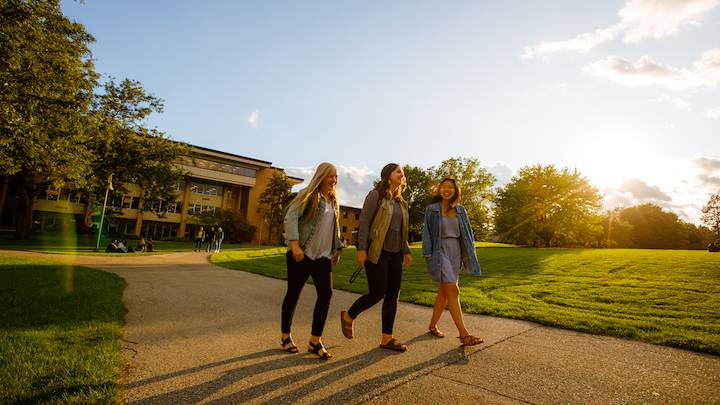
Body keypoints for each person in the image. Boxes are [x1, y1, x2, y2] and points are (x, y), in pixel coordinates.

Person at [340, 163, 412, 352]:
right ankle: (349, 315)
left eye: (402, 173)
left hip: (395, 253)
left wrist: (406, 250)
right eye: (398, 171)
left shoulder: (402, 202)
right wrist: (361, 249)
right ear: (388, 175)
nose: (402, 175)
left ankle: (387, 338)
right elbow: (363, 223)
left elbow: (402, 230)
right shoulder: (376, 195)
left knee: (393, 294)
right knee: (377, 292)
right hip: (377, 251)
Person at [280, 162, 343, 360]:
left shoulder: (333, 200)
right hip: (302, 253)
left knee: (326, 295)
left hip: (322, 256)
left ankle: (315, 341)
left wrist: (337, 248)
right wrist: (295, 245)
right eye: (330, 176)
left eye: (336, 176)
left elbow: (335, 227)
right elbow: (291, 217)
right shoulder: (308, 195)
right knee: (293, 293)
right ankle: (285, 336)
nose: (333, 179)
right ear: (321, 176)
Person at [422, 178, 483, 346]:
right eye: (444, 187)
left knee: (444, 291)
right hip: (439, 250)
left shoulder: (461, 210)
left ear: (455, 191)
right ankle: (464, 335)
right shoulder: (431, 210)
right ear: (439, 189)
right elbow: (427, 233)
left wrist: (471, 253)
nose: (446, 190)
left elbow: (468, 234)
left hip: (456, 250)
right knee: (453, 290)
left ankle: (433, 326)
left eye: (450, 187)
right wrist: (427, 254)